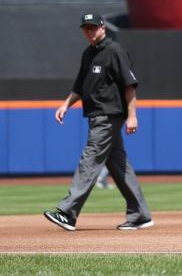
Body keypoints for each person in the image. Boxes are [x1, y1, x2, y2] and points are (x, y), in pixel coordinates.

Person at [43, 13, 153, 231]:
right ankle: (140, 214)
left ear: (103, 27)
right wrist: (66, 105)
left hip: (109, 116)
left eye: (93, 27)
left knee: (90, 158)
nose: (89, 31)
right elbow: (79, 87)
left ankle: (67, 212)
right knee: (119, 166)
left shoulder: (114, 51)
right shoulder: (88, 54)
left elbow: (129, 85)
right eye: (86, 28)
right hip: (96, 116)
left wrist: (132, 115)